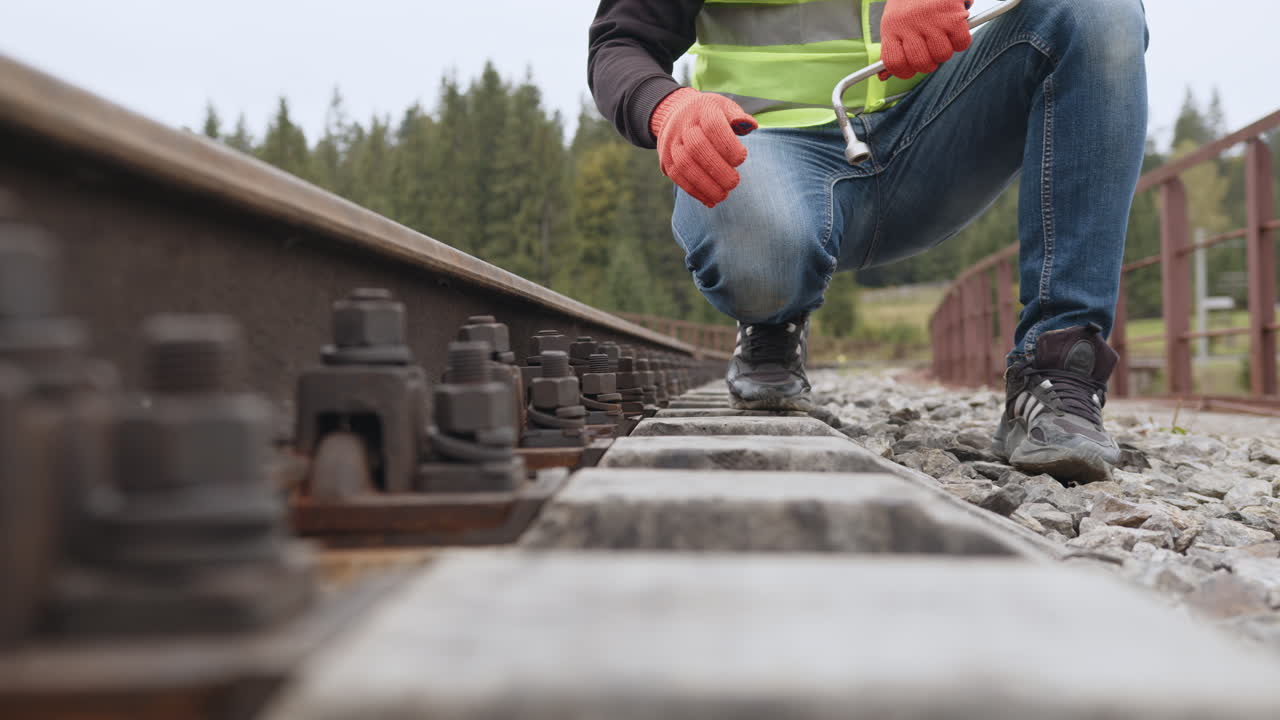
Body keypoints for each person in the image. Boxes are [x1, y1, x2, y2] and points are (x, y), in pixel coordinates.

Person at [588, 0, 1148, 483]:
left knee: (1098, 11)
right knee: (758, 246)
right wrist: (667, 106)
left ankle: (1055, 371)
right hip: (771, 147)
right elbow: (621, 42)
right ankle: (773, 321)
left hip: (935, 131)